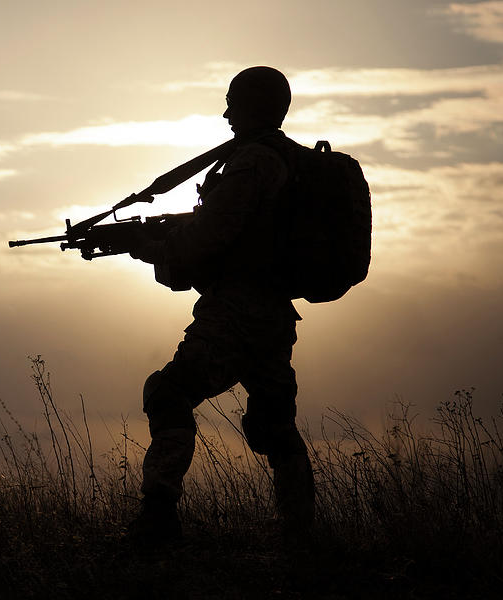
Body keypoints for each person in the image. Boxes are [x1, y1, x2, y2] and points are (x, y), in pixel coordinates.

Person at [127, 66, 315, 543]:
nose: (226, 112)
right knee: (275, 423)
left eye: (233, 101)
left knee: (169, 394)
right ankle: (301, 533)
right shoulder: (290, 160)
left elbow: (211, 236)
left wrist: (157, 247)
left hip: (237, 310)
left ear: (254, 105)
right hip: (273, 313)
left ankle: (158, 520)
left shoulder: (252, 161)